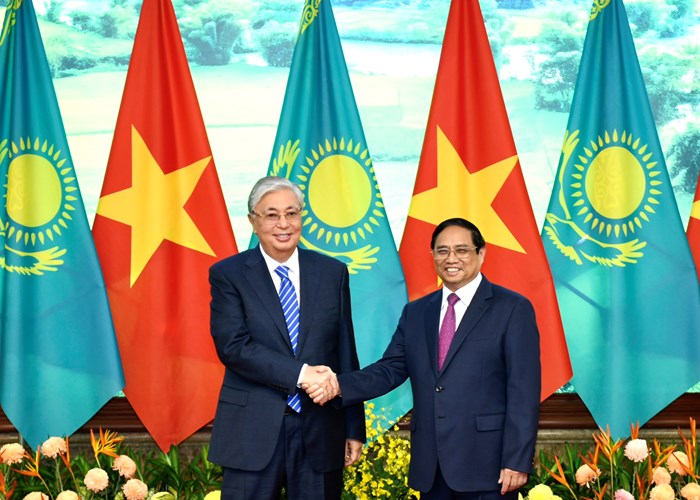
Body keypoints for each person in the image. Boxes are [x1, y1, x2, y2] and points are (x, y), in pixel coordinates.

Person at [307, 217, 541, 499]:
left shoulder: (513, 308)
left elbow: (523, 391)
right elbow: (390, 369)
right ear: (433, 256)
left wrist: (516, 459)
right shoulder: (416, 312)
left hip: (489, 466)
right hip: (432, 467)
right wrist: (337, 385)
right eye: (442, 251)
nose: (451, 258)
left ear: (481, 253)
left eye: (461, 250)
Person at [208, 176, 366, 500]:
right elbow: (233, 347)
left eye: (292, 213)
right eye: (271, 215)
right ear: (253, 221)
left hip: (321, 430)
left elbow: (345, 353)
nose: (283, 224)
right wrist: (302, 374)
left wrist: (353, 426)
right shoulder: (229, 275)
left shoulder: (332, 272)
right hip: (251, 431)